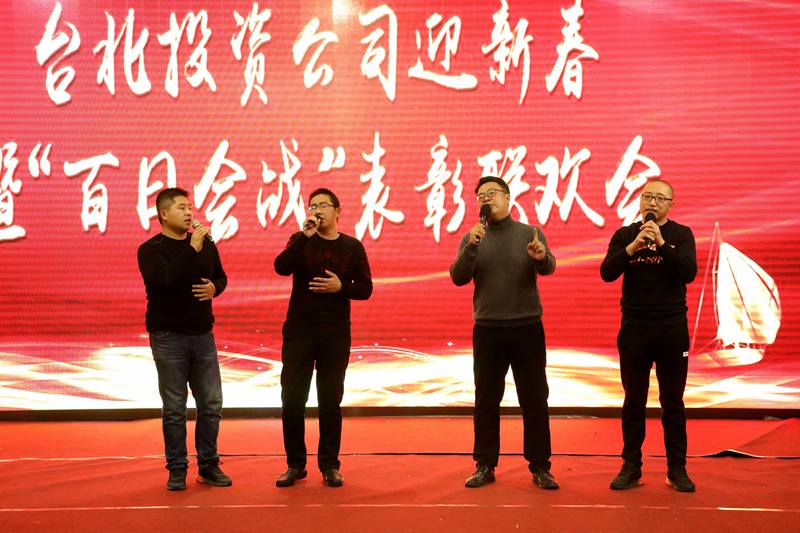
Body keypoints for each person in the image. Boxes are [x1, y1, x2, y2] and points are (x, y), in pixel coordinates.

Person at [449, 176, 559, 490]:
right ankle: (485, 464)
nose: (487, 198)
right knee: (486, 400)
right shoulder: (473, 237)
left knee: (534, 398)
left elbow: (549, 266)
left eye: (492, 193)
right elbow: (458, 277)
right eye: (481, 195)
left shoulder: (529, 232)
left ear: (508, 197)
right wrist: (471, 247)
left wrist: (541, 258)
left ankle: (540, 466)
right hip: (488, 329)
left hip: (527, 327)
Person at [600, 178, 697, 492]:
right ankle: (631, 466)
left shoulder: (681, 235)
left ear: (671, 204)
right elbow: (607, 272)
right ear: (640, 201)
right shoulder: (625, 235)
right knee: (633, 401)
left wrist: (662, 244)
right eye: (647, 197)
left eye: (659, 198)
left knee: (673, 401)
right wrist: (633, 247)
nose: (652, 203)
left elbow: (688, 272)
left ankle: (676, 468)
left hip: (672, 329)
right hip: (634, 329)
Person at [273, 188, 373, 488]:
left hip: (335, 333)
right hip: (299, 332)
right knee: (292, 401)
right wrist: (304, 237)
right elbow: (281, 267)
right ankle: (295, 464)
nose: (317, 210)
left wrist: (341, 287)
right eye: (312, 205)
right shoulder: (299, 239)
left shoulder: (352, 246)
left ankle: (330, 465)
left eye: (323, 205)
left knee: (330, 401)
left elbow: (366, 289)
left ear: (337, 212)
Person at [137, 187, 232, 491]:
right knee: (175, 408)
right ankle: (177, 468)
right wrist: (191, 248)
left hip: (203, 335)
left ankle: (209, 464)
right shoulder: (150, 249)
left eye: (190, 207)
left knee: (211, 404)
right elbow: (166, 281)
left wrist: (215, 289)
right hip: (168, 337)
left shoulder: (205, 244)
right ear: (164, 214)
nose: (189, 212)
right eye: (181, 208)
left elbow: (221, 276)